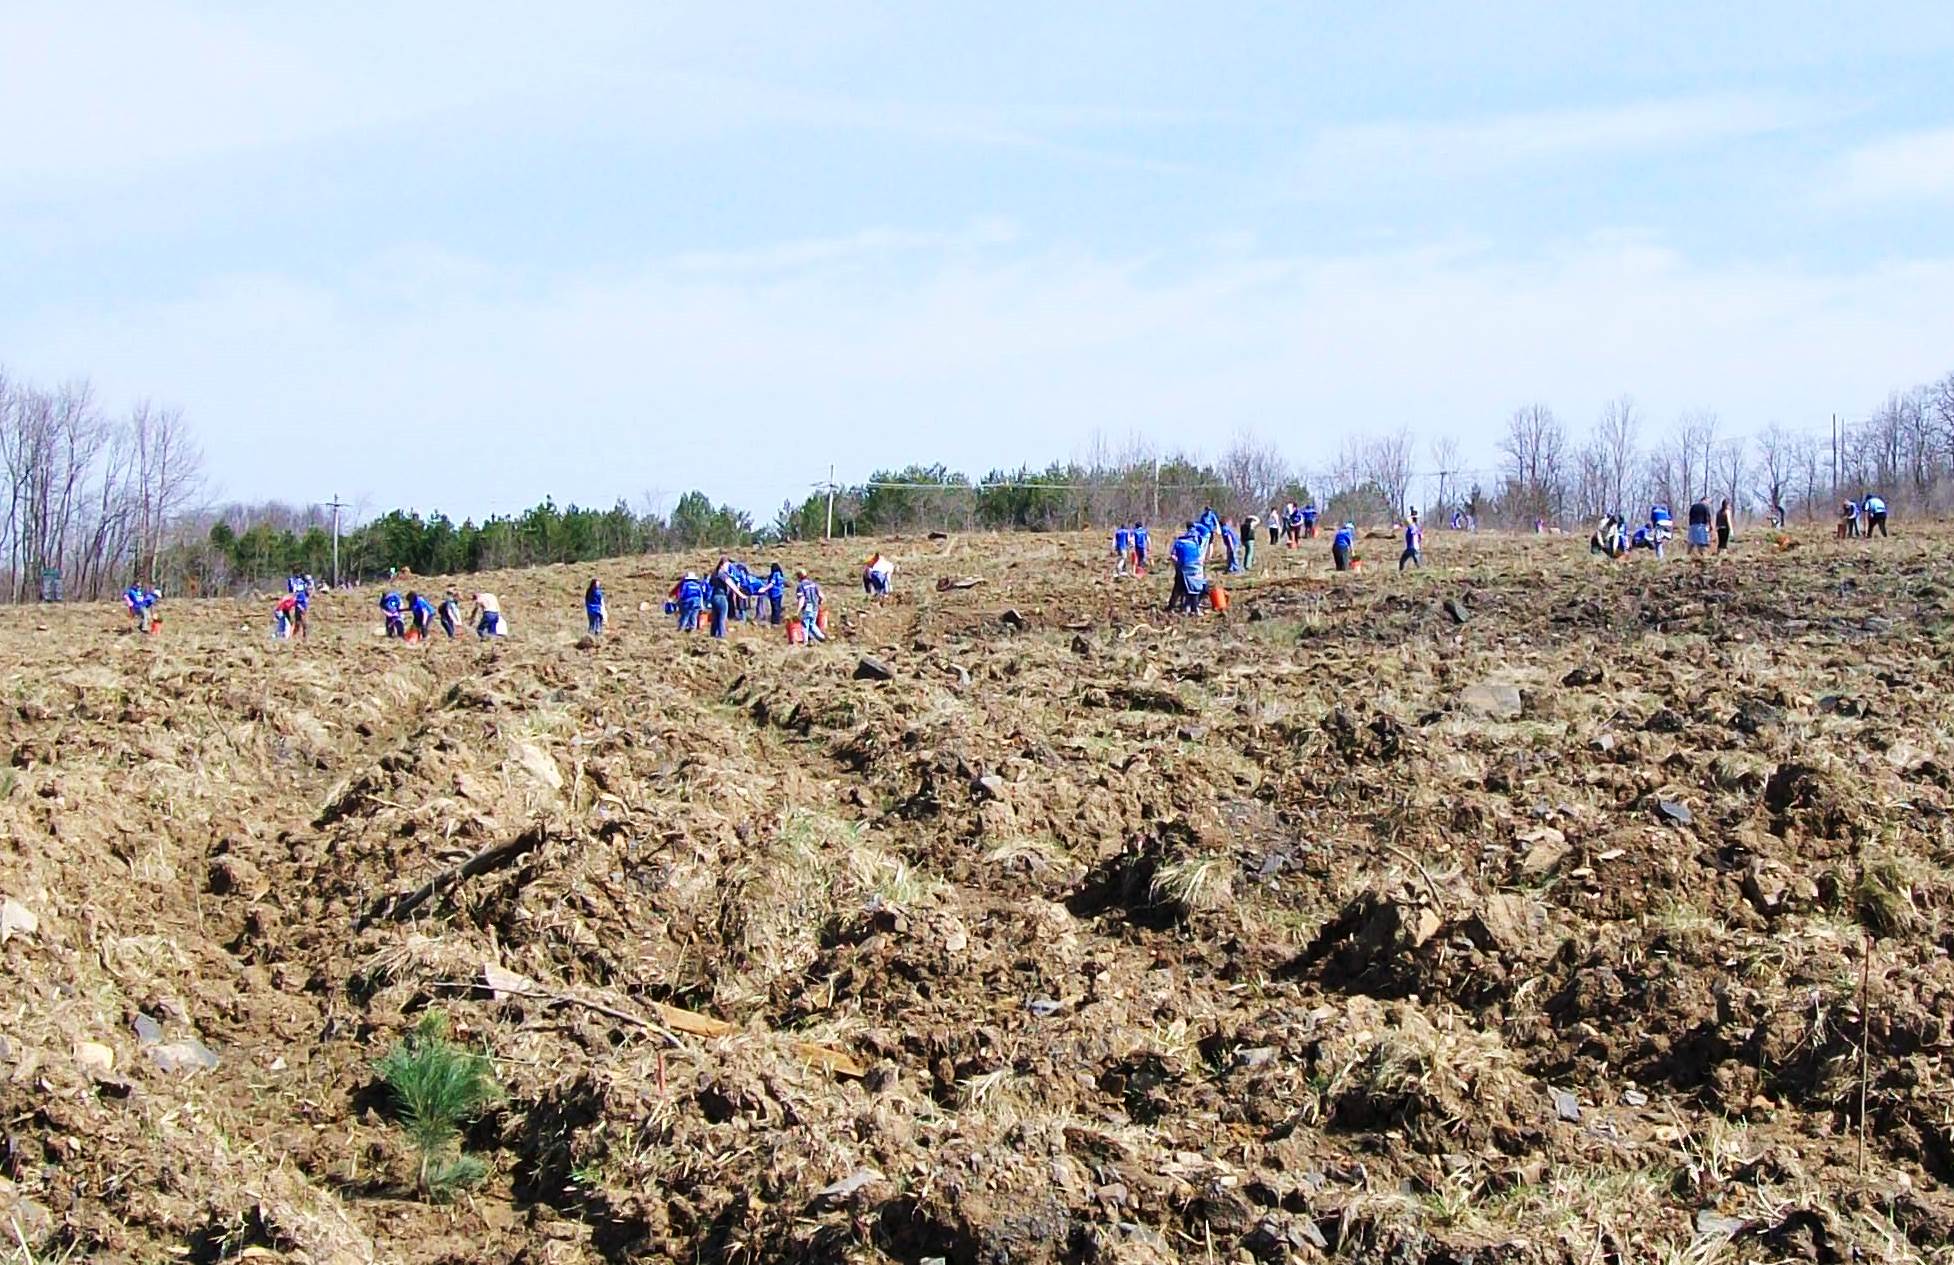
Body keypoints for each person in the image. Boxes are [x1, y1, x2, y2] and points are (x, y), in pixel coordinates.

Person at [1168, 525, 1206, 613]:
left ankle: (1172, 607)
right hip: (1195, 568)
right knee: (1195, 588)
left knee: (1178, 588)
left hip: (1182, 567)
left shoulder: (1178, 542)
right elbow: (1200, 558)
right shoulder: (1196, 542)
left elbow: (1173, 556)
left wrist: (1177, 565)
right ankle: (1193, 608)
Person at [708, 557, 738, 638]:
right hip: (722, 596)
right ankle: (721, 636)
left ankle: (713, 635)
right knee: (722, 618)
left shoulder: (714, 574)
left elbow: (710, 584)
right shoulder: (723, 574)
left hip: (714, 596)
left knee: (715, 617)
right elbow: (730, 584)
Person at [795, 570, 827, 642]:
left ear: (799, 577)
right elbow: (821, 595)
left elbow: (802, 599)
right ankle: (821, 637)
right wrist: (820, 602)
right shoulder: (813, 584)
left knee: (805, 624)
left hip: (807, 607)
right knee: (812, 624)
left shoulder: (801, 586)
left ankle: (805, 642)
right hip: (815, 606)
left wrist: (798, 611)